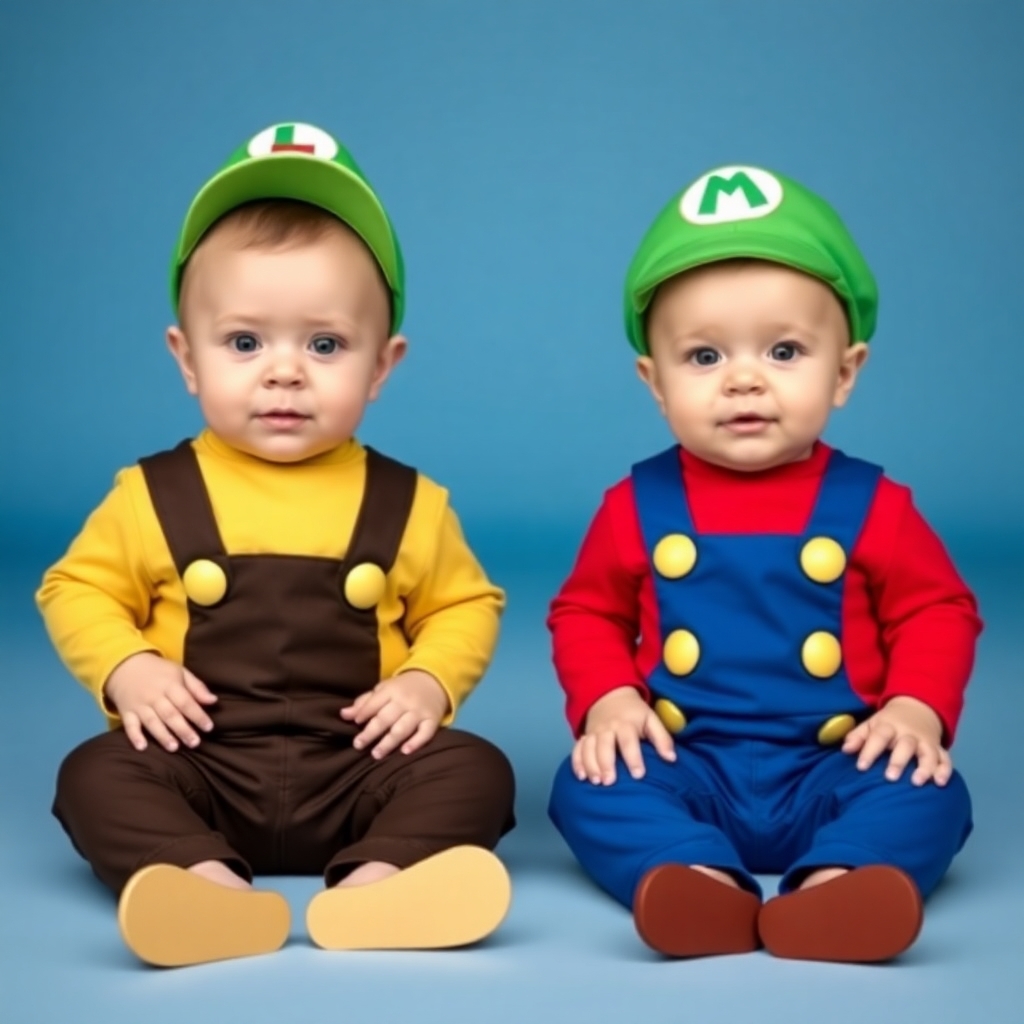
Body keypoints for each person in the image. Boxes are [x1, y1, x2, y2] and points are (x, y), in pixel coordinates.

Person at [38, 122, 515, 968]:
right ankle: (208, 887)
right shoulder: (152, 494)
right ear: (187, 358)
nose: (284, 371)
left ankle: (375, 886)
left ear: (382, 366)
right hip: (201, 765)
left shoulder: (410, 502)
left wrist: (426, 683)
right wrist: (127, 668)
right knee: (94, 774)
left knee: (476, 770)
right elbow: (76, 589)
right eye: (244, 342)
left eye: (325, 344)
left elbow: (466, 604)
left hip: (357, 766)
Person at [547, 165, 980, 962]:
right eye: (704, 356)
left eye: (784, 351)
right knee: (586, 784)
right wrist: (608, 700)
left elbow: (937, 611)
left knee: (931, 791)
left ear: (844, 372)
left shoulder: (875, 505)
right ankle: (696, 878)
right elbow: (587, 612)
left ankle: (840, 883)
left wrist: (916, 709)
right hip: (685, 759)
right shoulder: (634, 504)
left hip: (837, 759)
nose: (744, 379)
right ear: (654, 382)